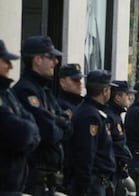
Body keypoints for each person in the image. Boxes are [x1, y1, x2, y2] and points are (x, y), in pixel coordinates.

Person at [13, 35, 72, 195]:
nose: (56, 62)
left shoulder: (44, 91)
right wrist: (57, 123)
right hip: (33, 175)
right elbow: (48, 132)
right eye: (51, 57)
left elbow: (68, 126)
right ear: (37, 60)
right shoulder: (26, 90)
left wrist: (58, 122)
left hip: (48, 177)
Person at [0, 39, 40, 194]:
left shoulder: (7, 93)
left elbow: (32, 125)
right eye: (5, 61)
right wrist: (29, 132)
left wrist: (29, 132)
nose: (10, 66)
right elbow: (22, 133)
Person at [69, 70, 116, 195]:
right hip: (92, 183)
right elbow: (86, 152)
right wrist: (84, 185)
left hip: (98, 182)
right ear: (105, 91)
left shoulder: (93, 112)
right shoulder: (90, 116)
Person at [105, 80, 136, 195]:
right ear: (117, 97)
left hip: (118, 169)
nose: (130, 98)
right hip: (110, 170)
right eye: (127, 95)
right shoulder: (110, 116)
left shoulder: (116, 115)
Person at [57, 63, 84, 192]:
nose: (79, 83)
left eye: (80, 80)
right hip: (68, 169)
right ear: (62, 82)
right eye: (74, 80)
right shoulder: (60, 105)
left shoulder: (83, 105)